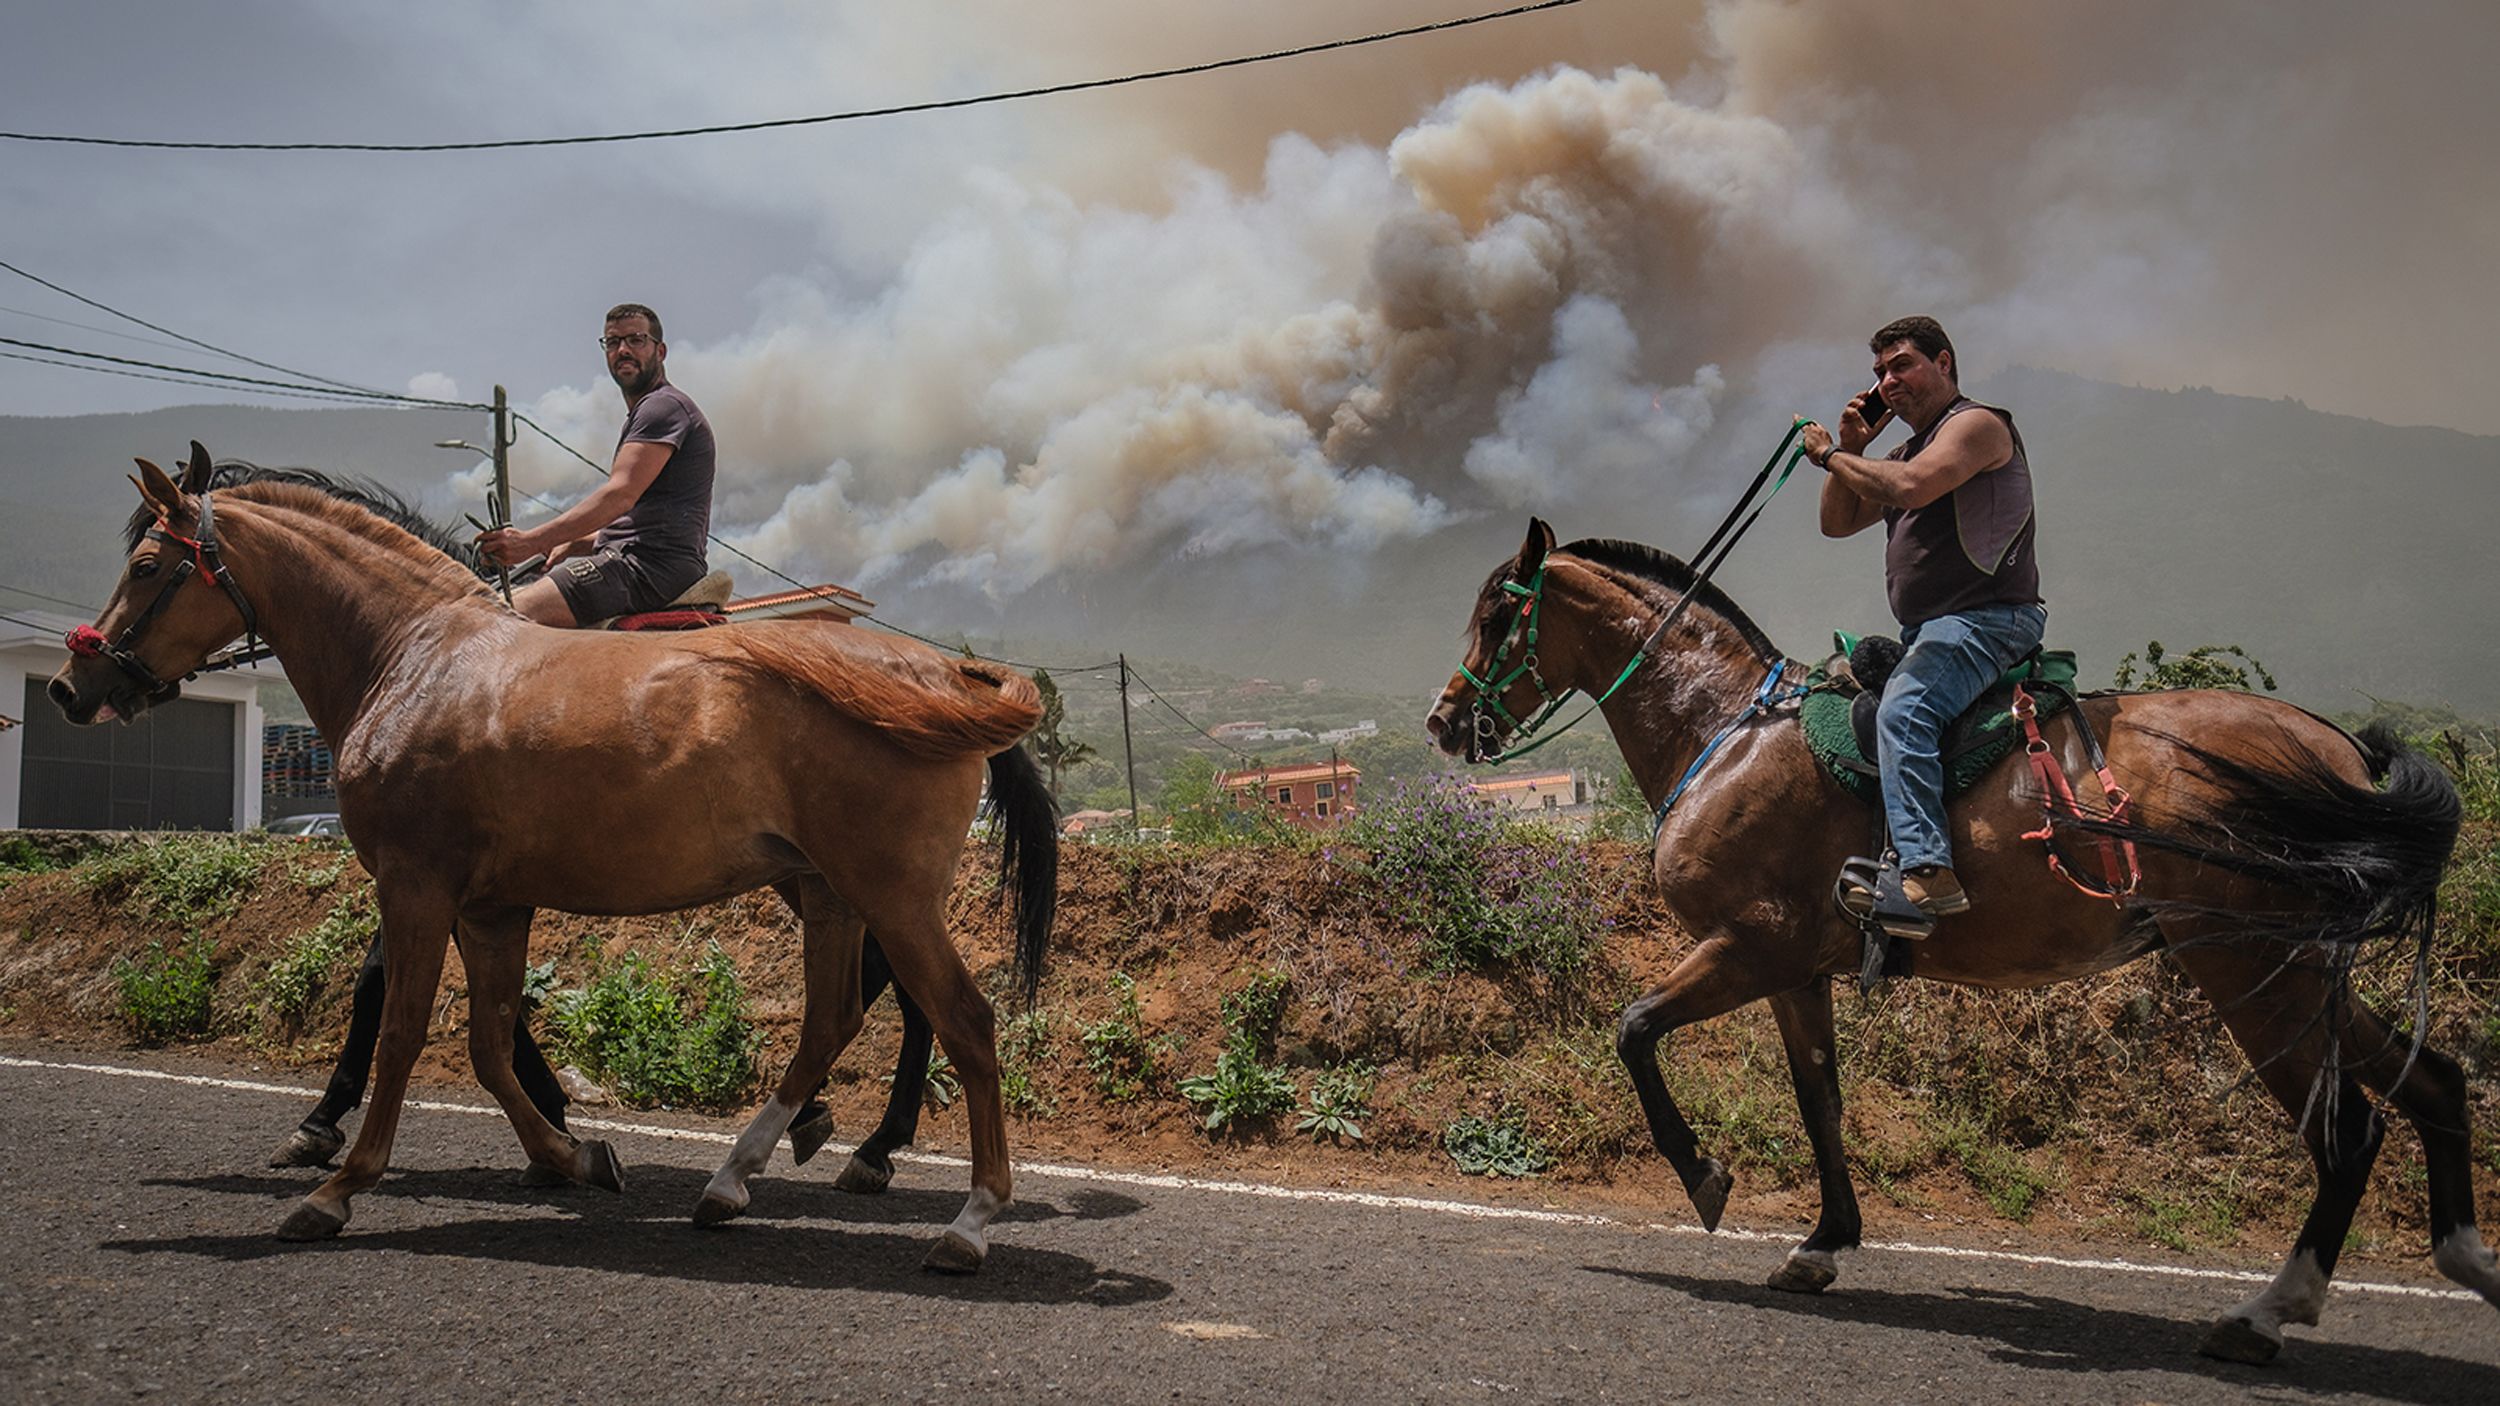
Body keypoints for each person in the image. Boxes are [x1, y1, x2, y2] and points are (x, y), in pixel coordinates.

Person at [1800, 316, 2047, 931]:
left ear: (1943, 363)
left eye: (1902, 364)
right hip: (1934, 629)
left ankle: (1927, 876)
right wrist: (1852, 451)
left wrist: (1829, 453)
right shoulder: (1902, 450)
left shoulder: (1977, 425)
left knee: (1905, 711)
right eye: (1880, 372)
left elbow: (1911, 489)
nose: (1888, 380)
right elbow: (1837, 522)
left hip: (1984, 620)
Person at [477, 302, 715, 625]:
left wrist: (532, 542)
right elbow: (644, 524)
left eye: (636, 340)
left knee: (497, 619)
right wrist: (577, 542)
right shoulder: (649, 412)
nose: (623, 350)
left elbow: (620, 496)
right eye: (613, 342)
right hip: (643, 560)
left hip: (647, 568)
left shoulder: (663, 407)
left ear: (660, 351)